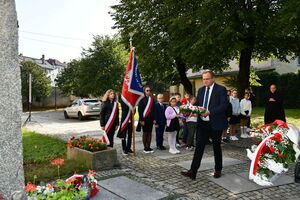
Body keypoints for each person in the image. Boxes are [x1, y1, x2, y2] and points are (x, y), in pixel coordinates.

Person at [181, 70, 229, 180]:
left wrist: (210, 111)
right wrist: (191, 109)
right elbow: (198, 104)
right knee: (199, 147)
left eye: (207, 79)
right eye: (203, 79)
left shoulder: (221, 89)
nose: (205, 81)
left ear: (213, 79)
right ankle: (193, 171)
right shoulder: (201, 90)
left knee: (216, 147)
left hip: (215, 123)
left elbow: (224, 105)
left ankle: (218, 169)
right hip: (202, 123)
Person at [138, 86, 155, 153]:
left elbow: (153, 110)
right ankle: (145, 147)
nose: (149, 91)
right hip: (144, 119)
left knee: (150, 133)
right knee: (145, 133)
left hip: (150, 119)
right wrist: (141, 120)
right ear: (144, 91)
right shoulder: (141, 99)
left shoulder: (152, 99)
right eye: (147, 90)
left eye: (149, 90)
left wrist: (154, 119)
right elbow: (140, 110)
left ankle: (149, 147)